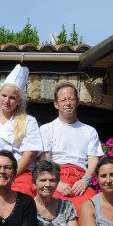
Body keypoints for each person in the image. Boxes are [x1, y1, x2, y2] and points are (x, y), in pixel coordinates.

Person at [0, 64, 43, 195]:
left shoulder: (29, 121)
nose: (7, 101)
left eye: (12, 98)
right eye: (4, 95)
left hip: (19, 174)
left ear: (19, 101)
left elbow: (29, 154)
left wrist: (10, 175)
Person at [38, 82, 103, 210]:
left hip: (81, 179)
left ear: (77, 102)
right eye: (63, 100)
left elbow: (93, 160)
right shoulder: (46, 129)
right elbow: (44, 161)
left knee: (91, 208)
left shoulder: (89, 131)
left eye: (71, 99)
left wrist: (86, 180)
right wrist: (56, 183)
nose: (67, 103)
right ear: (56, 104)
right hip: (55, 176)